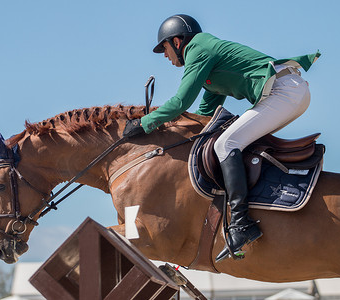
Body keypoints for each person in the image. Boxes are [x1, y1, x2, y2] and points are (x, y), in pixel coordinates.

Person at [122, 14, 320, 262]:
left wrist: (145, 123)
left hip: (284, 91)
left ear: (177, 41)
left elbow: (181, 101)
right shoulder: (205, 59)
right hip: (288, 91)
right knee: (228, 141)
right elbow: (204, 114)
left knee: (226, 144)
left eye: (164, 48)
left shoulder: (198, 48)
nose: (164, 55)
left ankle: (241, 224)